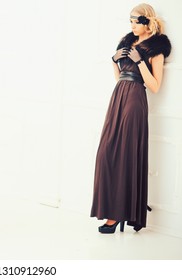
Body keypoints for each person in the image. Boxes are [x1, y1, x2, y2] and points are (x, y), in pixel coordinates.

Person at [90, 3, 171, 234]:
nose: (132, 25)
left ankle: (117, 216)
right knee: (106, 153)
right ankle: (111, 211)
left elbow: (154, 86)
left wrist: (140, 62)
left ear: (147, 23)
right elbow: (120, 78)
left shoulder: (157, 48)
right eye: (131, 21)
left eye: (136, 21)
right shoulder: (127, 43)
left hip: (135, 99)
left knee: (126, 155)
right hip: (118, 97)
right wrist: (114, 61)